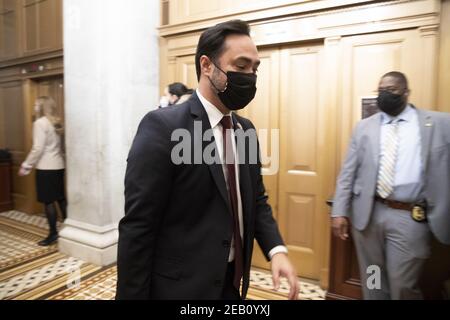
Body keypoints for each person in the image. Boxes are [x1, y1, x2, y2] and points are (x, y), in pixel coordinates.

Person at [116, 20, 299, 300]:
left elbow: (256, 199)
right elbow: (138, 227)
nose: (250, 76)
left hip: (230, 284)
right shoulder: (162, 127)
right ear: (206, 65)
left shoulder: (245, 130)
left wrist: (277, 250)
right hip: (178, 289)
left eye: (255, 68)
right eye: (240, 66)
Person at [331, 71, 450, 299]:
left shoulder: (438, 124)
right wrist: (339, 211)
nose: (385, 95)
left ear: (406, 92)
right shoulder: (364, 127)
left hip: (409, 217)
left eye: (391, 90)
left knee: (402, 283)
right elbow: (348, 172)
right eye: (381, 91)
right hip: (369, 215)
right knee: (373, 278)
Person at [18, 96, 67, 246]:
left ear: (41, 107)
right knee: (60, 198)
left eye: (35, 104)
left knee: (48, 201)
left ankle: (53, 234)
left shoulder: (40, 123)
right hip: (59, 165)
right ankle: (69, 231)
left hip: (46, 168)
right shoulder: (57, 121)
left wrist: (26, 165)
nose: (34, 107)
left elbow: (38, 148)